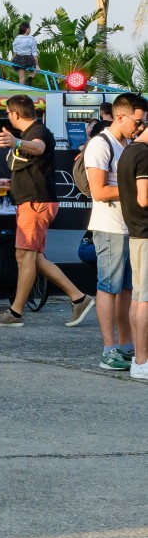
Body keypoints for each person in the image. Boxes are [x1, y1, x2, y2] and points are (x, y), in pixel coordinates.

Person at [0, 95, 93, 328]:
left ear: (14, 114)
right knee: (35, 258)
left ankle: (15, 313)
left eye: (8, 113)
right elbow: (32, 167)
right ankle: (79, 298)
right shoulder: (28, 134)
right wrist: (11, 183)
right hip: (31, 201)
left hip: (35, 204)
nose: (8, 117)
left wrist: (16, 143)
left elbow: (39, 147)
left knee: (24, 257)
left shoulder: (38, 132)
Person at [81, 93, 147, 371]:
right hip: (109, 226)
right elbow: (98, 191)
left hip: (129, 225)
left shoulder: (128, 145)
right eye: (138, 120)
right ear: (121, 116)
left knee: (129, 290)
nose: (140, 126)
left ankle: (126, 345)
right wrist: (136, 190)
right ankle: (109, 349)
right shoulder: (100, 144)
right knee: (109, 286)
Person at [119, 116, 148, 380]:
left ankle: (139, 360)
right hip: (145, 233)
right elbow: (144, 198)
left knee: (139, 298)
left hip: (136, 233)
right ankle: (142, 360)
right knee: (144, 299)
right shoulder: (144, 155)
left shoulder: (129, 150)